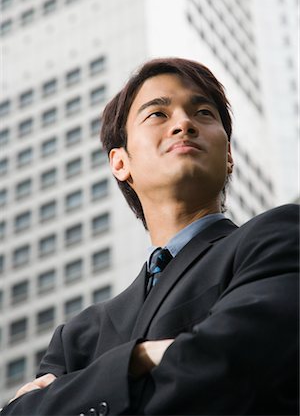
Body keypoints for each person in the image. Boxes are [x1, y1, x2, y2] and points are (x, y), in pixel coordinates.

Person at [1, 58, 298, 416]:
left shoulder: (278, 237)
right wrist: (140, 358)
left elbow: (238, 362)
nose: (184, 123)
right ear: (120, 163)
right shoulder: (78, 336)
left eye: (203, 112)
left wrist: (82, 388)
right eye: (158, 114)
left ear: (230, 155)